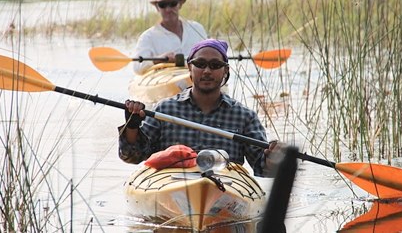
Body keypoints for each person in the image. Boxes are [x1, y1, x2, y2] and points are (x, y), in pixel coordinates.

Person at [118, 39, 282, 177]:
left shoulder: (245, 116)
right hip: (171, 183)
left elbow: (263, 169)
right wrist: (132, 128)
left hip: (224, 188)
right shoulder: (165, 109)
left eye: (215, 65)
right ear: (190, 68)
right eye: (200, 64)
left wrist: (275, 157)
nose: (207, 71)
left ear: (225, 70)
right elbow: (133, 157)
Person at [131, 0, 207, 75]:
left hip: (196, 79)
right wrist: (158, 60)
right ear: (157, 8)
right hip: (165, 81)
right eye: (162, 5)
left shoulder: (197, 28)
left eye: (173, 3)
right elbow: (137, 67)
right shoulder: (147, 37)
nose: (168, 9)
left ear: (180, 5)